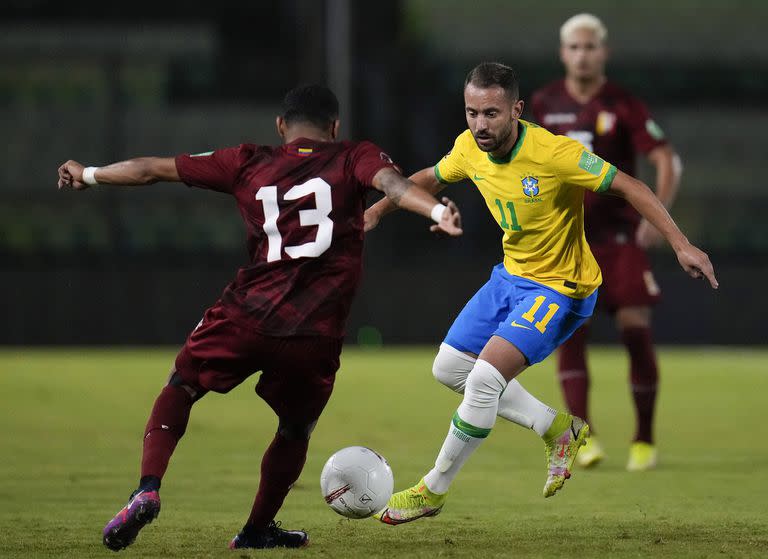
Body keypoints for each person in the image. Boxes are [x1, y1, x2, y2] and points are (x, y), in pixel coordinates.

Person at [56, 84, 463, 550]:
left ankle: (147, 489)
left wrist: (87, 173)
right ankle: (255, 529)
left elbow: (151, 169)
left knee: (182, 387)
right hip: (315, 332)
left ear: (280, 126)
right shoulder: (355, 157)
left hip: (246, 313)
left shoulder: (248, 160)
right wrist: (435, 208)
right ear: (335, 127)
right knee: (295, 428)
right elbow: (394, 185)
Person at [364, 62, 716, 524]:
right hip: (509, 277)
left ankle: (434, 488)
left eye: (491, 113)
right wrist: (374, 213)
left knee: (485, 380)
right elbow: (431, 176)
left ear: (517, 110)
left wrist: (681, 243)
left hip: (561, 286)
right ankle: (558, 428)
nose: (480, 125)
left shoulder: (555, 153)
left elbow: (629, 185)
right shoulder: (469, 147)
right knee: (450, 368)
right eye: (471, 113)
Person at [531, 13, 683, 471]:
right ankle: (585, 435)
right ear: (563, 53)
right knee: (570, 333)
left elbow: (666, 160)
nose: (582, 54)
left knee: (635, 327)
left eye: (590, 47)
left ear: (604, 52)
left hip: (618, 237)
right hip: (567, 238)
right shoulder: (542, 102)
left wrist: (657, 219)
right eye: (574, 47)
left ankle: (644, 439)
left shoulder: (623, 103)